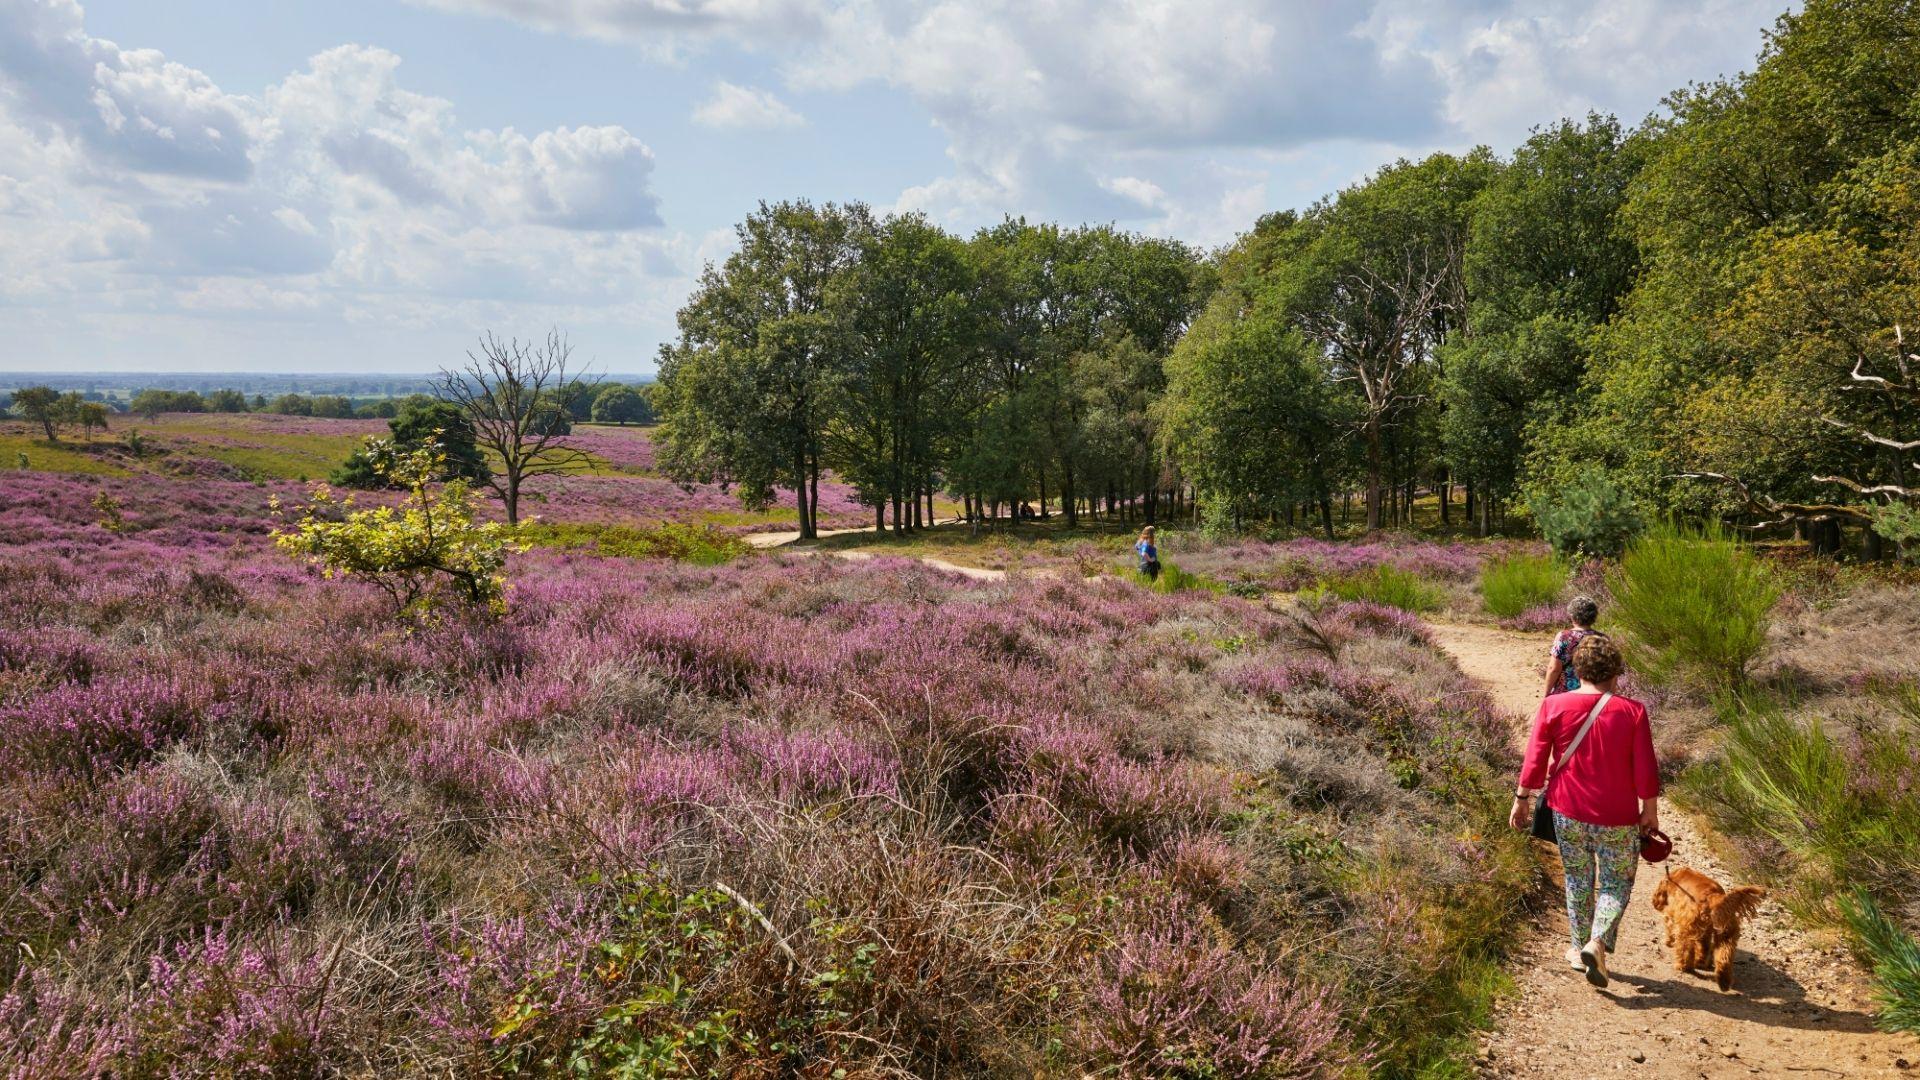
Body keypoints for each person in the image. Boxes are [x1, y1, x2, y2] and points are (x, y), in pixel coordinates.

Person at [1509, 634, 1659, 988]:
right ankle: (1597, 941)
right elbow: (1645, 767)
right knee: (1616, 882)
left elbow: (1535, 756)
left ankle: (1579, 950)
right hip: (1618, 815)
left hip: (1567, 810)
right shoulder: (1632, 711)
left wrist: (1522, 798)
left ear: (1578, 669)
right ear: (1616, 672)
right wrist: (1649, 808)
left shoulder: (1554, 705)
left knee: (1577, 879)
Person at [1543, 595, 1605, 697]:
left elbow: (1554, 668)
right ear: (1594, 616)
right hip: (1594, 695)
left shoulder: (1564, 637)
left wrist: (1546, 695)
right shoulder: (1602, 639)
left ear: (1572, 615)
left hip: (1565, 694)